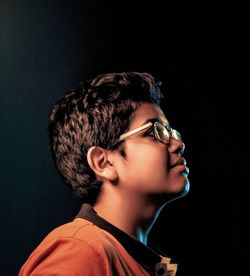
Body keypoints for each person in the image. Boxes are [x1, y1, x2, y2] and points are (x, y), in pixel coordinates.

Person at [19, 72, 189, 276]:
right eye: (154, 132)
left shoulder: (153, 264)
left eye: (171, 132)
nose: (178, 144)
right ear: (103, 162)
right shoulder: (80, 251)